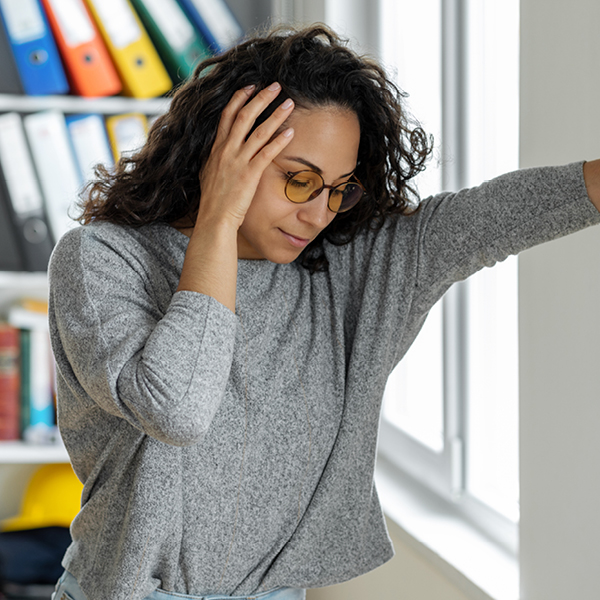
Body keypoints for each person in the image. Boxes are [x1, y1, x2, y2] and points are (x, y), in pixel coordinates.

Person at [47, 23, 600, 600]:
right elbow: (178, 409)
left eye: (338, 189)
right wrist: (219, 219)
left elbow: (490, 217)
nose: (318, 214)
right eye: (299, 180)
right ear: (223, 155)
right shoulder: (102, 259)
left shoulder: (346, 270)